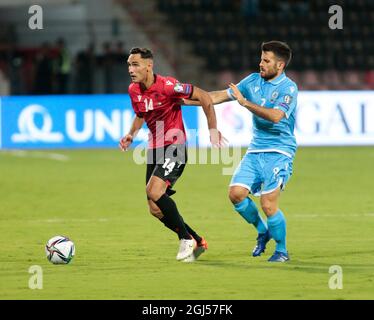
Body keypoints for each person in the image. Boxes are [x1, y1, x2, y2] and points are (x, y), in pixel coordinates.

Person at [185, 40, 298, 262]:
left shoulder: (289, 88)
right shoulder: (253, 80)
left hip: (280, 151)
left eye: (266, 61)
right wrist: (182, 101)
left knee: (267, 204)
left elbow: (276, 116)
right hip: (256, 149)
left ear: (280, 65)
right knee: (236, 194)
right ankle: (262, 231)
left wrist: (245, 103)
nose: (261, 64)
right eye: (261, 59)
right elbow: (218, 96)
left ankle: (282, 250)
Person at [119, 47, 225, 262]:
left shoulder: (168, 86)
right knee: (155, 208)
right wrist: (131, 134)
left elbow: (204, 97)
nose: (131, 69)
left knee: (154, 190)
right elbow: (141, 113)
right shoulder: (133, 90)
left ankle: (185, 239)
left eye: (135, 64)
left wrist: (212, 129)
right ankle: (196, 239)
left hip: (175, 146)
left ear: (149, 66)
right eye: (129, 64)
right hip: (154, 148)